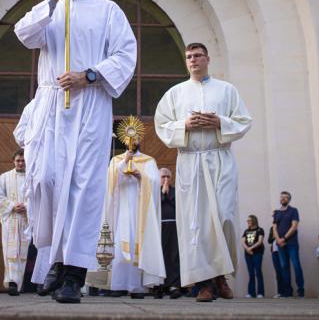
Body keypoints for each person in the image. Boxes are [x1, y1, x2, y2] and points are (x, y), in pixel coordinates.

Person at [13, 0, 137, 304]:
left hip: (89, 104)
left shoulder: (107, 10)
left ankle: (72, 275)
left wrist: (90, 75)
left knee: (82, 188)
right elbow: (24, 34)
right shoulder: (51, 9)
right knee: (45, 179)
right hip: (51, 104)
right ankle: (54, 255)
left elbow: (125, 53)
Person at [155, 42, 253, 302]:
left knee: (224, 216)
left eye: (197, 56)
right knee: (195, 223)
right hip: (190, 162)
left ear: (208, 59)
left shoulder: (226, 90)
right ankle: (205, 284)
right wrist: (184, 124)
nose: (193, 60)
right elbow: (162, 125)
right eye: (189, 57)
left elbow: (244, 121)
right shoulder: (175, 93)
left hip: (219, 158)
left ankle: (221, 274)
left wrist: (220, 122)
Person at [95, 127, 165, 298]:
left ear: (139, 139)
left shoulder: (149, 161)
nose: (131, 141)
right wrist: (123, 163)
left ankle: (137, 287)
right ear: (124, 140)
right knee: (119, 244)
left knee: (137, 244)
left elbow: (155, 183)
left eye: (134, 138)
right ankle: (118, 285)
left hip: (140, 210)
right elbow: (109, 182)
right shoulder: (117, 160)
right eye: (128, 138)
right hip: (121, 209)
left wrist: (141, 177)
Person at [0, 150, 30, 296]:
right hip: (10, 220)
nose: (21, 163)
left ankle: (21, 283)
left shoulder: (31, 177)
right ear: (13, 161)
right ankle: (11, 282)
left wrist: (27, 206)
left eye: (23, 160)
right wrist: (12, 206)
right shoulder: (4, 177)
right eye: (18, 160)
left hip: (26, 220)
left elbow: (37, 197)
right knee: (10, 251)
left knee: (23, 252)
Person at [272, 191, 304, 298]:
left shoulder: (293, 211)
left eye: (285, 197)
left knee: (296, 265)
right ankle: (287, 292)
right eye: (281, 197)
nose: (283, 199)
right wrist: (278, 240)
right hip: (280, 245)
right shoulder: (276, 212)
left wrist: (284, 238)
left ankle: (301, 291)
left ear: (289, 200)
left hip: (291, 243)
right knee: (284, 267)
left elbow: (294, 226)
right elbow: (274, 228)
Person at [157, 167, 182, 299]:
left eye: (168, 177)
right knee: (159, 257)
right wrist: (162, 194)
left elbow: (179, 206)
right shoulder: (154, 191)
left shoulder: (175, 191)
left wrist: (167, 193)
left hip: (173, 226)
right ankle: (159, 286)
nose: (166, 179)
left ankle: (174, 286)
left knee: (173, 256)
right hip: (158, 227)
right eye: (163, 177)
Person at [241, 215, 265, 298]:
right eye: (247, 221)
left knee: (258, 272)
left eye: (249, 220)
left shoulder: (260, 230)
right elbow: (243, 241)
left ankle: (260, 293)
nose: (248, 222)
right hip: (248, 254)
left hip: (257, 253)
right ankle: (251, 293)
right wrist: (247, 249)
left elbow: (260, 241)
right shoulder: (246, 231)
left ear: (254, 220)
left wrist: (250, 248)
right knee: (251, 273)